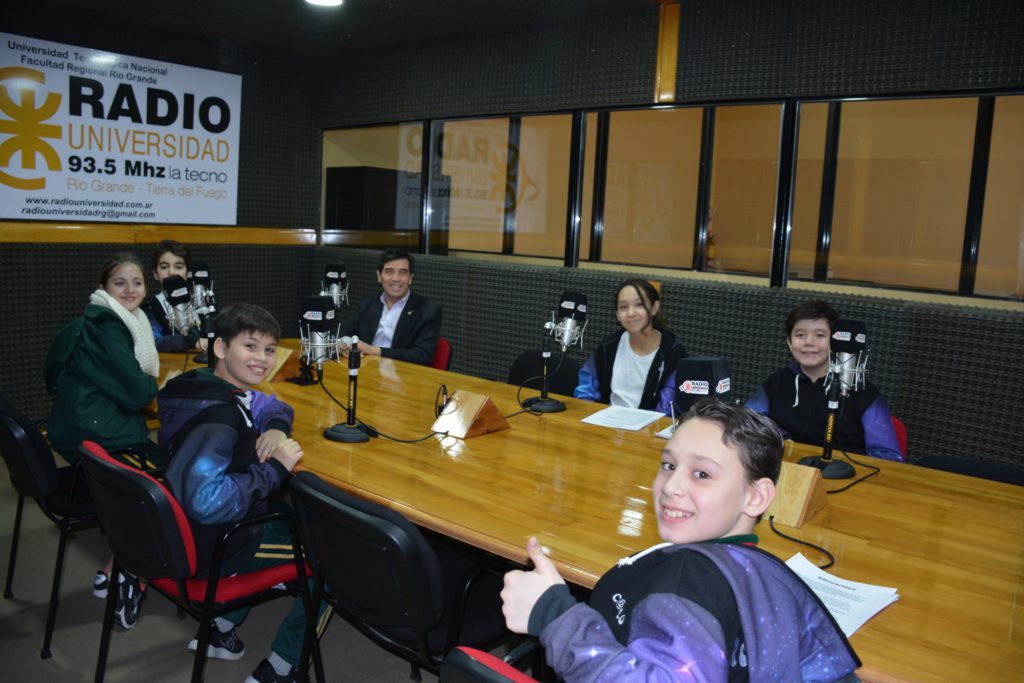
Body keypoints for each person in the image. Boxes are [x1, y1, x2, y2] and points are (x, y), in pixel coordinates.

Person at [501, 400, 860, 682]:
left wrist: (552, 614)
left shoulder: (688, 577)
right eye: (668, 465)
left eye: (701, 474)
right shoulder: (767, 569)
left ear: (756, 497)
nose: (671, 487)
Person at [158, 303, 329, 683]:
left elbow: (271, 404)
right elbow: (207, 502)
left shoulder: (198, 386)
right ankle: (285, 666)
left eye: (269, 350)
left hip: (180, 530)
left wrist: (277, 429)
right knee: (331, 559)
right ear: (220, 348)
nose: (262, 359)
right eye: (250, 347)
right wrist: (274, 469)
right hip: (220, 542)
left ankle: (219, 626)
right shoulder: (219, 420)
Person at [44, 252, 162, 618]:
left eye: (137, 282)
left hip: (75, 426)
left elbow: (51, 375)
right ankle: (127, 570)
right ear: (103, 287)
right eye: (120, 282)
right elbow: (141, 393)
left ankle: (117, 565)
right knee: (170, 481)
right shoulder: (108, 326)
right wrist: (146, 383)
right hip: (98, 437)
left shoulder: (99, 318)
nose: (130, 289)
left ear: (146, 288)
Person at [745, 300, 903, 461]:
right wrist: (780, 436)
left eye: (819, 335)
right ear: (789, 342)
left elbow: (889, 457)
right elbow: (747, 426)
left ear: (834, 341)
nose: (808, 342)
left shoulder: (864, 392)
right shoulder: (777, 382)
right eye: (800, 335)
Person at [574, 279, 687, 415]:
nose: (631, 313)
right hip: (605, 425)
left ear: (654, 307)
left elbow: (668, 407)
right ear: (617, 315)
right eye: (623, 307)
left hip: (648, 430)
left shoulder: (673, 352)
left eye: (639, 305)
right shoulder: (608, 346)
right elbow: (585, 391)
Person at [338, 248, 441, 366]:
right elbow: (343, 330)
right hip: (365, 368)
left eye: (403, 272)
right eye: (389, 271)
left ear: (411, 277)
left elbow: (423, 356)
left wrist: (373, 350)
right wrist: (345, 345)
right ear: (379, 275)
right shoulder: (368, 303)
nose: (396, 278)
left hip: (402, 375)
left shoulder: (428, 310)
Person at [142, 238, 205, 352]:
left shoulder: (200, 303)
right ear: (155, 274)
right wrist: (193, 341)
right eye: (164, 267)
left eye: (178, 267)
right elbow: (155, 341)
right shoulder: (150, 309)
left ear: (187, 273)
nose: (171, 272)